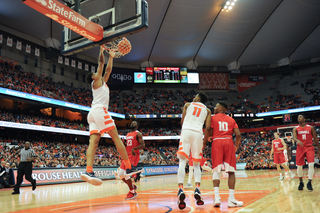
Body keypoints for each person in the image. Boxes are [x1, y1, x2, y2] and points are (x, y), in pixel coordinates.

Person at [81, 47, 134, 186]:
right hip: (99, 111)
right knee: (116, 138)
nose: (97, 73)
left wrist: (111, 56)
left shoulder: (102, 82)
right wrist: (101, 52)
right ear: (93, 77)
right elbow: (101, 65)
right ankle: (129, 167)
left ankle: (88, 170)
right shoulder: (96, 82)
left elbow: (108, 70)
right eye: (95, 73)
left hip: (92, 113)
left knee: (94, 143)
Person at [176, 92, 211, 210]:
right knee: (196, 165)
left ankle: (180, 188)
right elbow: (208, 127)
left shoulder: (187, 105)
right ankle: (197, 188)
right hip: (198, 133)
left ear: (198, 98)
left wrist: (184, 129)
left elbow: (182, 121)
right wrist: (205, 141)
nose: (194, 97)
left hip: (186, 131)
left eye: (195, 96)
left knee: (182, 162)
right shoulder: (208, 110)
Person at [211, 101, 243, 208]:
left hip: (217, 142)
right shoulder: (231, 119)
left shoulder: (212, 118)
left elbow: (209, 130)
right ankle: (231, 199)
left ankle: (216, 197)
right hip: (228, 142)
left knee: (216, 170)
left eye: (216, 106)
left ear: (221, 109)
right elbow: (238, 134)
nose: (214, 108)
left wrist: (208, 137)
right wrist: (237, 145)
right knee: (231, 172)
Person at [118, 121, 145, 200]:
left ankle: (132, 192)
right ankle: (132, 186)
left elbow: (143, 145)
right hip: (126, 155)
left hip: (134, 155)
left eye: (135, 122)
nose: (133, 122)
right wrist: (123, 144)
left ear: (137, 126)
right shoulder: (128, 134)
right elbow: (128, 146)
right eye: (132, 122)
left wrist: (134, 148)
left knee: (126, 174)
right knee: (120, 175)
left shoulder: (138, 133)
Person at [292, 115, 320, 191]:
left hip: (309, 147)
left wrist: (319, 149)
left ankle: (309, 182)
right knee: (299, 166)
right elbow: (294, 137)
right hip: (300, 148)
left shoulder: (310, 128)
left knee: (311, 165)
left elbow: (315, 139)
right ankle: (301, 182)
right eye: (298, 117)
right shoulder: (295, 128)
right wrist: (298, 141)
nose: (299, 118)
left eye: (300, 117)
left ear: (304, 119)